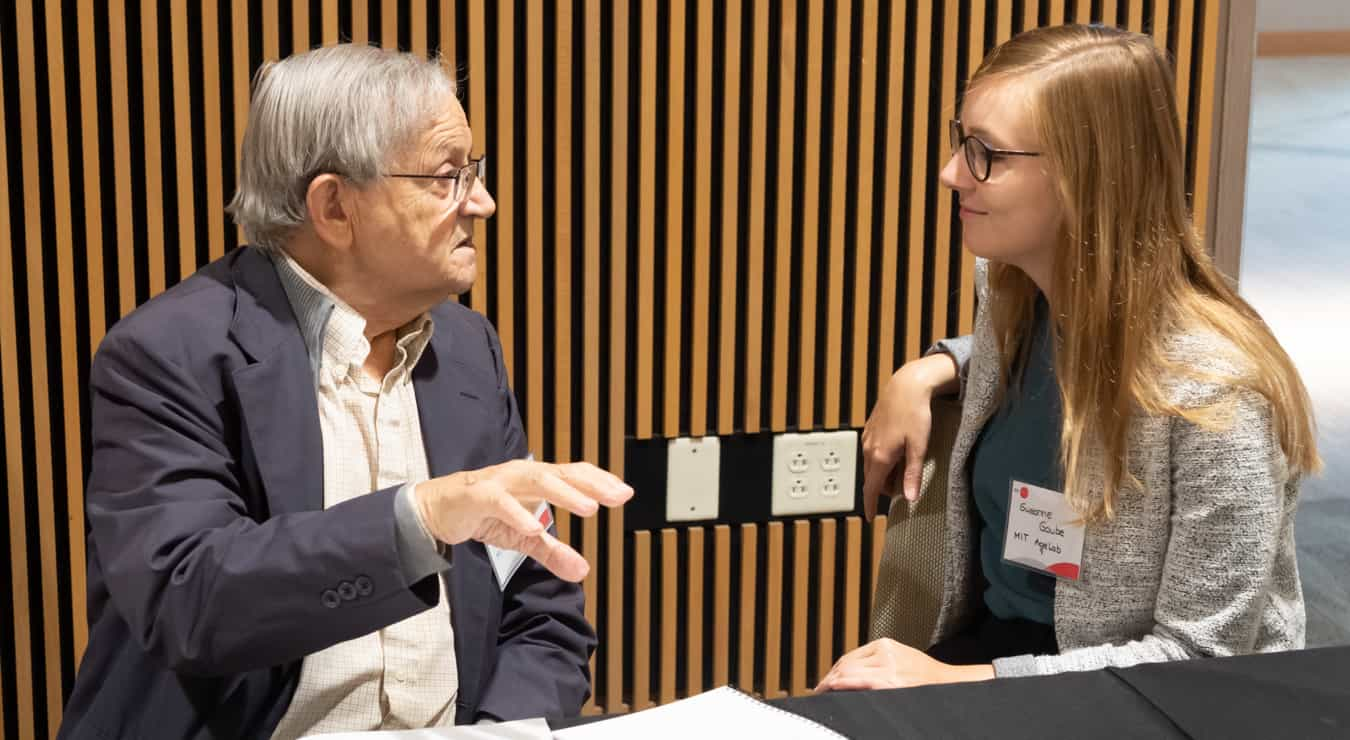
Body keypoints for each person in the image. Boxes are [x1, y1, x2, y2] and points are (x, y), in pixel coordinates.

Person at [59, 44, 631, 738]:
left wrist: (499, 731)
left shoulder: (468, 353)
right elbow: (193, 600)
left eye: (473, 172)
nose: (483, 201)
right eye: (447, 177)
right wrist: (418, 520)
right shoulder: (169, 354)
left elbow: (540, 608)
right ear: (334, 207)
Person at [817, 24, 1319, 691]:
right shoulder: (1014, 291)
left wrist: (960, 683)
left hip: (1135, 694)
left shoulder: (1216, 398)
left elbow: (1198, 665)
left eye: (984, 153)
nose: (949, 173)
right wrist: (932, 367)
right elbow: (1057, 365)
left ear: (1087, 177)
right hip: (1006, 646)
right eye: (959, 140)